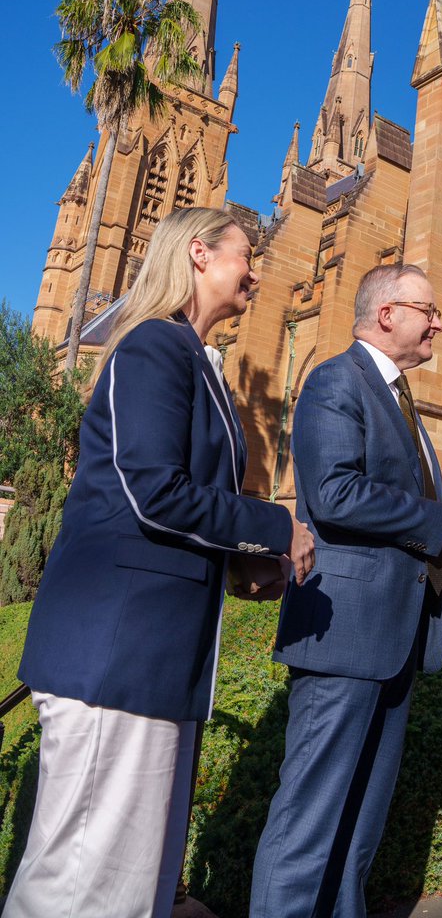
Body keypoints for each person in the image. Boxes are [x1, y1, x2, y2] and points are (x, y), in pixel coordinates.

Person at [5, 207, 315, 918]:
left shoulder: (194, 362)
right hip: (116, 657)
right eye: (247, 256)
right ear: (200, 255)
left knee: (128, 890)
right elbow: (155, 493)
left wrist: (244, 567)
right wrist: (275, 524)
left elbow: (171, 511)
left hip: (154, 665)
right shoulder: (152, 346)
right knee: (81, 889)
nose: (258, 272)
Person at [249, 263, 442, 918]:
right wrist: (438, 518)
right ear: (388, 314)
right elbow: (331, 495)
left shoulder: (400, 397)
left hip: (395, 638)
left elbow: (393, 508)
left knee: (357, 832)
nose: (440, 321)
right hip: (344, 638)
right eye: (428, 309)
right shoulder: (338, 380)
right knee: (310, 828)